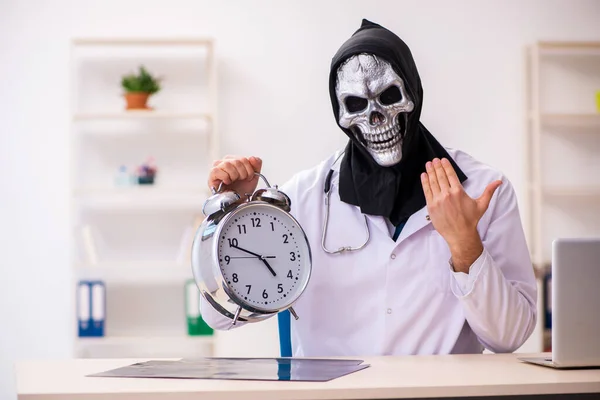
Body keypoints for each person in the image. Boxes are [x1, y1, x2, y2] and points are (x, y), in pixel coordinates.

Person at [200, 19, 537, 357]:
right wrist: (236, 218)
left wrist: (466, 245)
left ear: (413, 91)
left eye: (389, 96)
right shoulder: (302, 198)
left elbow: (510, 337)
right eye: (356, 105)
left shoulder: (484, 191)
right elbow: (219, 317)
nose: (375, 118)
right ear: (340, 112)